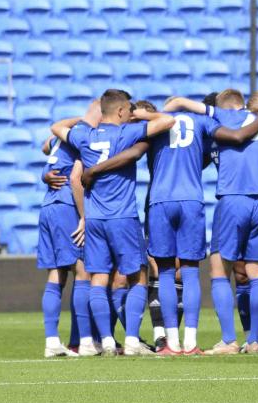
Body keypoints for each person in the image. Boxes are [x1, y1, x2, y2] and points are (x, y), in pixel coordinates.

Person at [84, 98, 258, 354]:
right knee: (191, 271)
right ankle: (191, 342)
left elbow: (134, 152)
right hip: (191, 200)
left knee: (166, 273)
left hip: (160, 201)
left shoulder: (156, 125)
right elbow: (234, 137)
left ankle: (171, 342)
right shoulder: (201, 122)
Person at [164, 92, 258, 354]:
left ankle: (229, 340)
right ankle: (254, 340)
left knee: (219, 270)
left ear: (225, 108)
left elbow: (188, 105)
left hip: (232, 200)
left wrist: (175, 104)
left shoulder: (223, 117)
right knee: (257, 273)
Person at [50, 89, 175, 356]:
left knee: (98, 277)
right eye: (128, 110)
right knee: (138, 276)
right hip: (123, 216)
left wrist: (82, 119)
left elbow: (56, 127)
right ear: (120, 111)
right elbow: (168, 121)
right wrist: (141, 114)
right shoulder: (126, 132)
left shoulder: (85, 135)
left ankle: (106, 340)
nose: (130, 113)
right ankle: (131, 340)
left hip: (94, 218)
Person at [36, 101, 100, 357]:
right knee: (82, 271)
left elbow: (46, 146)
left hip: (48, 207)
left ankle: (52, 341)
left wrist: (46, 174)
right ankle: (85, 342)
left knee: (57, 274)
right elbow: (75, 179)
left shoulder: (63, 137)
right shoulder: (84, 137)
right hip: (66, 206)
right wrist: (84, 217)